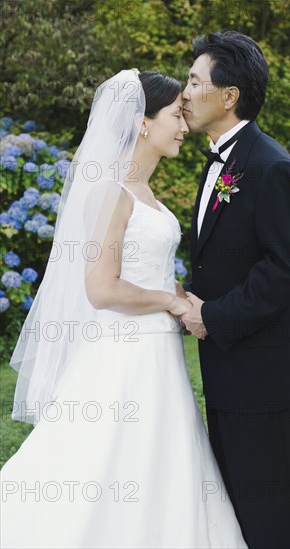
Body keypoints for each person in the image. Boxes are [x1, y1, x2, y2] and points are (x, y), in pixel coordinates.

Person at [0, 69, 248, 548]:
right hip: (124, 352)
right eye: (176, 114)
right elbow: (101, 288)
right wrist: (169, 301)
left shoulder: (145, 192)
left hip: (156, 354)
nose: (184, 125)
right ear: (140, 123)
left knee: (158, 460)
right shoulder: (113, 189)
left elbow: (146, 270)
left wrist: (186, 296)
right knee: (104, 463)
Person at [180, 31, 290, 548]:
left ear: (229, 96)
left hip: (266, 380)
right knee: (244, 513)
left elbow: (286, 269)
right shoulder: (220, 160)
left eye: (195, 81)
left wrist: (212, 317)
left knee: (282, 517)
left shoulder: (270, 166)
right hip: (228, 372)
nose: (184, 92)